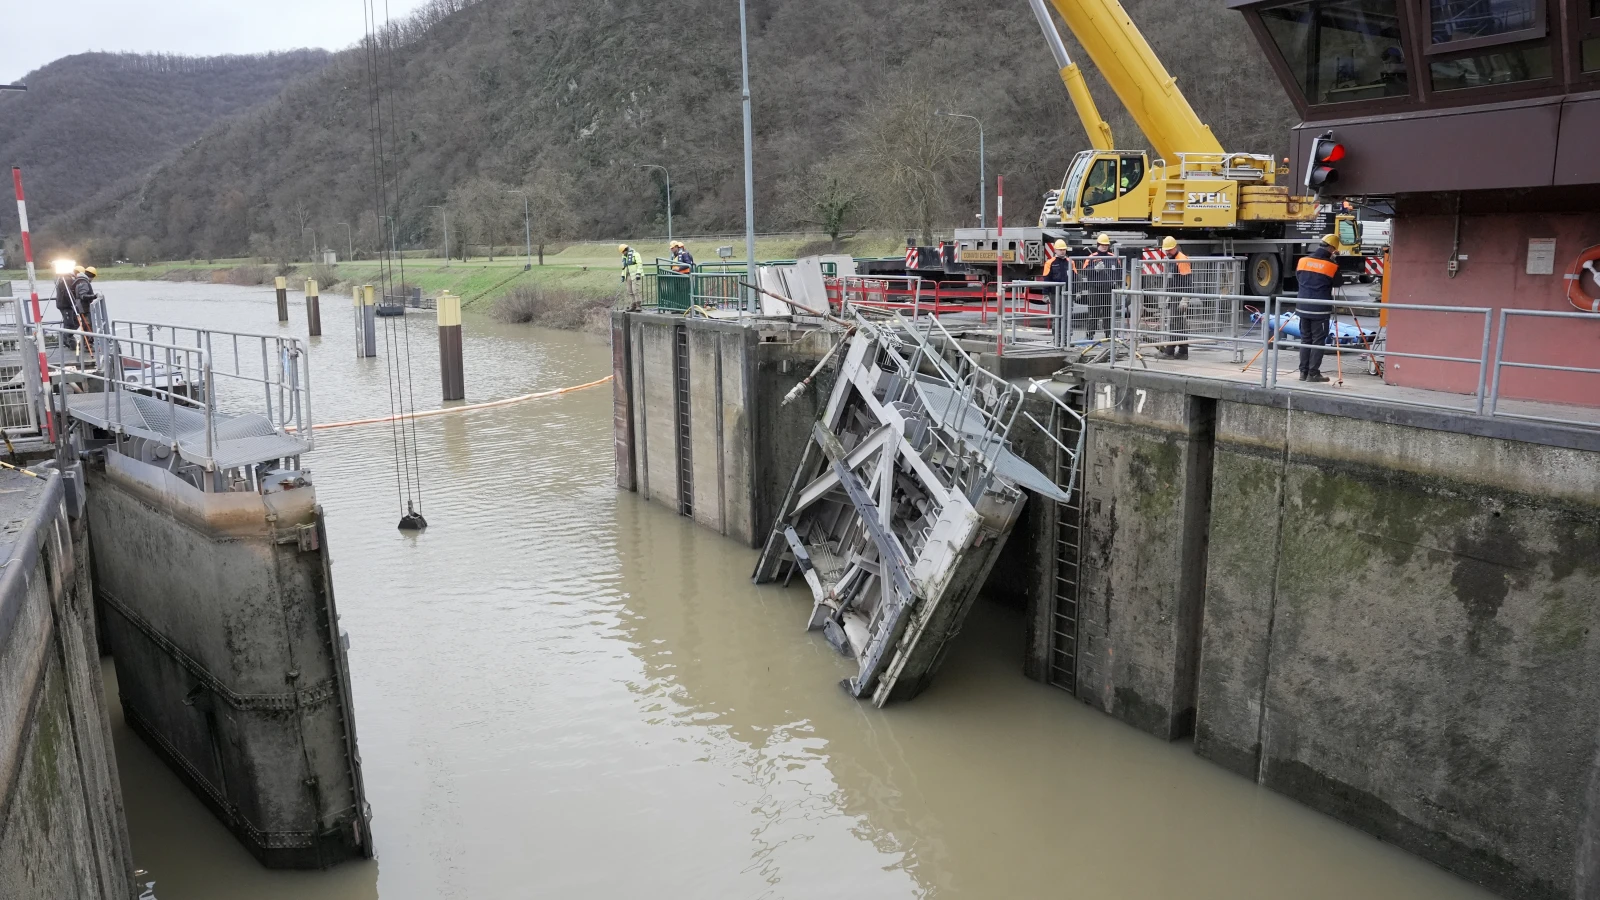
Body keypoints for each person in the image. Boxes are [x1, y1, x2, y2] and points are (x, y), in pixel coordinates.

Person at [1295, 235, 1341, 383]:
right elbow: (1338, 283)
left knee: (1305, 340)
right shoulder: (1331, 266)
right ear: (1331, 249)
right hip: (1319, 310)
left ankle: (1303, 373)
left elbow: (1299, 278)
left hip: (1302, 307)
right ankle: (1313, 374)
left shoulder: (1303, 261)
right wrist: (1334, 262)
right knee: (1318, 341)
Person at [1156, 236, 1193, 359]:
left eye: (1169, 250)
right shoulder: (1172, 259)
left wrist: (1185, 298)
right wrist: (1168, 296)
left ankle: (1170, 351)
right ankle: (1183, 350)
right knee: (1179, 324)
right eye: (1166, 250)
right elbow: (1172, 280)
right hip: (1174, 295)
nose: (1167, 252)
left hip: (1179, 296)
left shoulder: (1181, 259)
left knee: (1175, 323)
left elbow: (1187, 281)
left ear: (1175, 247)